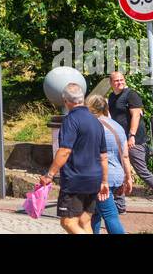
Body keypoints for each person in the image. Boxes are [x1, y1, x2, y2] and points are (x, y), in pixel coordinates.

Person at [37, 82, 108, 234]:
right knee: (84, 220)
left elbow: (64, 151)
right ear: (82, 99)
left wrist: (50, 175)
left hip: (76, 179)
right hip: (94, 178)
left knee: (68, 222)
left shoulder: (70, 120)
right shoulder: (96, 122)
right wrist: (104, 181)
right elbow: (103, 156)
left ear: (66, 101)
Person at [107, 71, 153, 212]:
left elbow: (136, 115)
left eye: (121, 80)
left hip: (134, 140)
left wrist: (132, 135)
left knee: (142, 171)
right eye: (116, 80)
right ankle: (120, 206)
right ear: (111, 83)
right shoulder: (111, 97)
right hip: (119, 139)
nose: (120, 82)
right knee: (120, 171)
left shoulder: (131, 95)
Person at [87, 95, 131, 234]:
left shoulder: (92, 126)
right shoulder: (116, 126)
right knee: (95, 214)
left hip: (101, 178)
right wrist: (128, 177)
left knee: (110, 215)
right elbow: (125, 155)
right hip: (117, 175)